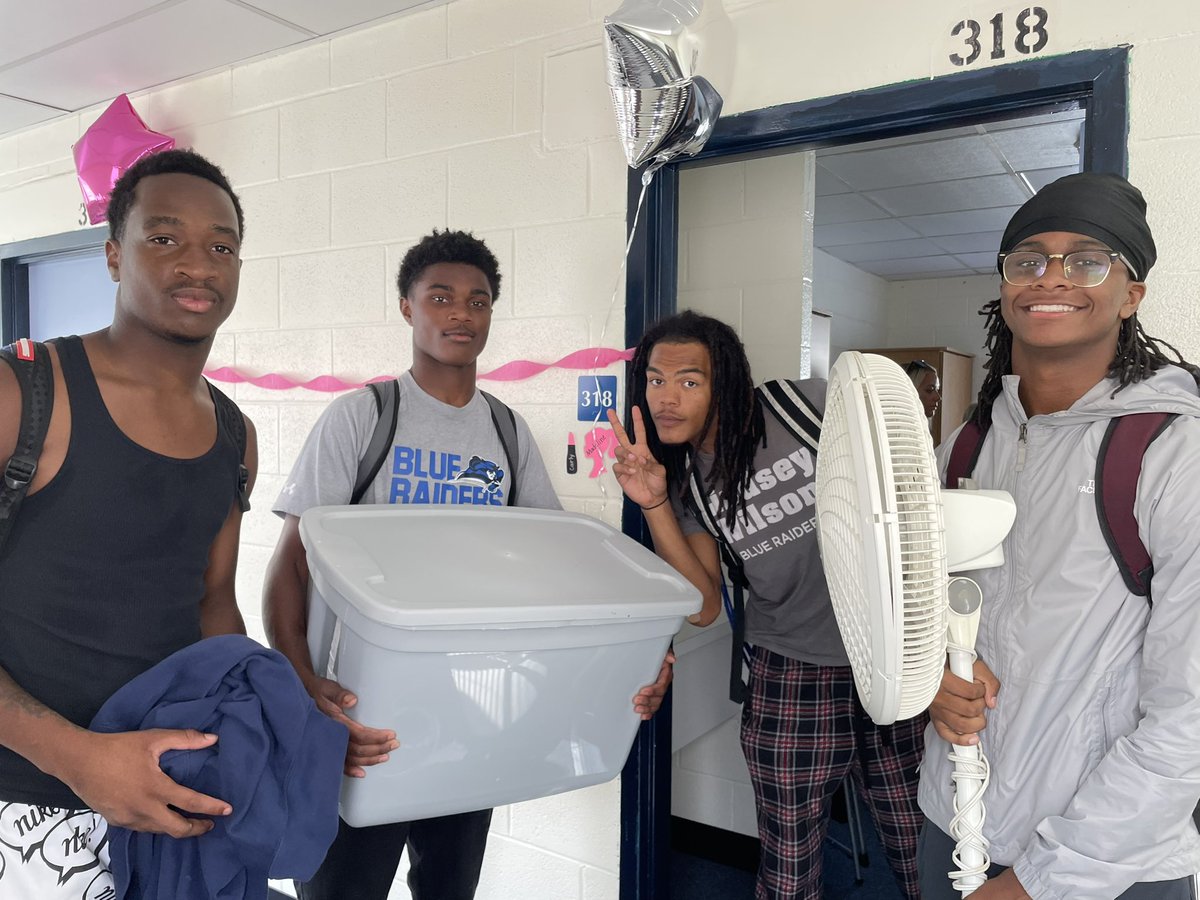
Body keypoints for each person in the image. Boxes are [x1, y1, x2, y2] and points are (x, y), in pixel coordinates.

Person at [264, 229, 674, 900]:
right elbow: (291, 564)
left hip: (469, 719)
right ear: (407, 308)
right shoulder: (362, 419)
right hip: (362, 718)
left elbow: (560, 573)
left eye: (477, 301)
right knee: (342, 890)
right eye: (441, 297)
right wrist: (302, 680)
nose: (461, 314)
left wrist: (642, 656)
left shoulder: (509, 434)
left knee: (449, 889)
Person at [919, 172, 1200, 899]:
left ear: (1131, 293)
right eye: (1028, 259)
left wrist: (1039, 881)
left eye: (1087, 260)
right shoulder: (965, 446)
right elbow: (921, 606)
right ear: (1005, 284)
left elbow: (1189, 722)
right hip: (955, 825)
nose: (1052, 278)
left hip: (1106, 866)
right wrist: (930, 681)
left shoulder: (1173, 452)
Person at [0, 148, 257, 897]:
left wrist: (277, 713)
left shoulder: (236, 436)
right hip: (21, 809)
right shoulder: (23, 394)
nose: (198, 264)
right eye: (165, 238)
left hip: (163, 810)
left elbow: (213, 607)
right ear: (114, 256)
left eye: (222, 246)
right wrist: (80, 760)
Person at [606, 310, 925, 900]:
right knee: (787, 858)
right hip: (789, 669)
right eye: (655, 381)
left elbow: (910, 481)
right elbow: (703, 606)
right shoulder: (685, 485)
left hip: (891, 651)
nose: (667, 399)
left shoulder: (808, 406)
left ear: (724, 379)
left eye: (689, 381)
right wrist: (652, 503)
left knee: (918, 837)